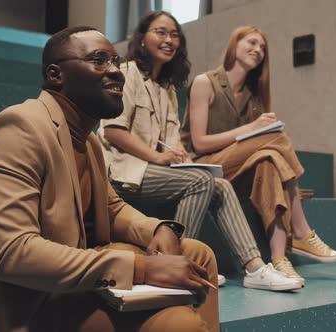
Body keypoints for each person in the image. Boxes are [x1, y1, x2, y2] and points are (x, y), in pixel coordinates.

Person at [0, 26, 220, 332]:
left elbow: (112, 208)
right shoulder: (18, 128)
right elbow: (13, 254)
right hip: (24, 306)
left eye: (116, 62)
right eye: (99, 60)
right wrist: (141, 268)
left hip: (66, 288)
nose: (117, 72)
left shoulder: (88, 139)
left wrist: (157, 229)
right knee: (179, 324)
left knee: (198, 255)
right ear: (56, 75)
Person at [98, 11, 301, 292]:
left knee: (220, 186)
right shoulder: (127, 72)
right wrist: (158, 157)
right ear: (142, 39)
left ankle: (254, 267)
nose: (169, 40)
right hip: (124, 171)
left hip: (154, 172)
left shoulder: (167, 88)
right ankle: (175, 262)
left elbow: (171, 142)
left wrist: (180, 156)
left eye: (174, 35)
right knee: (201, 180)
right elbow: (113, 131)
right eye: (160, 32)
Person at [180, 26, 336, 285]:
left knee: (269, 162)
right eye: (252, 43)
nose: (258, 50)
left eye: (263, 48)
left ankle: (279, 259)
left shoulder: (253, 96)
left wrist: (257, 128)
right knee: (276, 137)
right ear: (235, 45)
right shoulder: (205, 82)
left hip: (237, 169)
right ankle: (301, 231)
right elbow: (199, 143)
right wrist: (252, 128)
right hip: (204, 167)